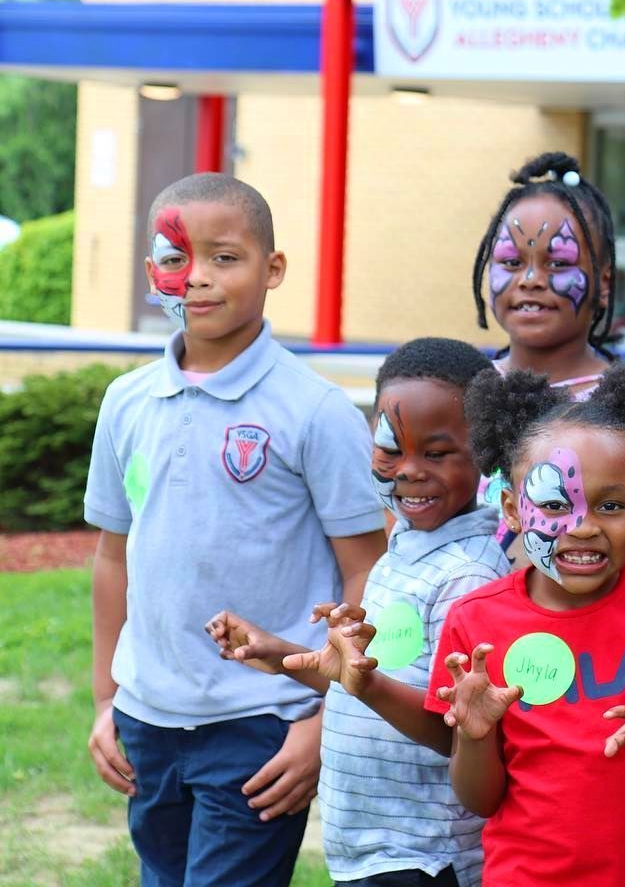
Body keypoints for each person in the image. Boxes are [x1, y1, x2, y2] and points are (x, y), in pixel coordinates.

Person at [83, 173, 386, 886]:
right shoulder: (126, 403)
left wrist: (325, 718)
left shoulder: (315, 412)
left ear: (272, 269)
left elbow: (369, 572)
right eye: (177, 257)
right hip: (148, 724)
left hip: (265, 723)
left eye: (225, 257)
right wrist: (106, 698)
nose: (198, 279)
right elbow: (111, 559)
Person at [206, 337, 507, 886]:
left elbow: (457, 729)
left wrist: (362, 685)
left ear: (486, 452)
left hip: (424, 854)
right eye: (391, 450)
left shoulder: (469, 575)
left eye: (436, 454)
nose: (409, 472)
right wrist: (285, 656)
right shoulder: (405, 549)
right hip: (368, 847)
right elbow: (375, 680)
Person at [424, 362, 625, 887]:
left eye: (611, 505)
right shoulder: (477, 623)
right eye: (555, 505)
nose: (582, 527)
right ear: (513, 511)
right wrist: (475, 736)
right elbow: (479, 800)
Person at [470, 150, 617, 402]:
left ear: (604, 283)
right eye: (512, 262)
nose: (529, 279)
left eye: (558, 263)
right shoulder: (461, 393)